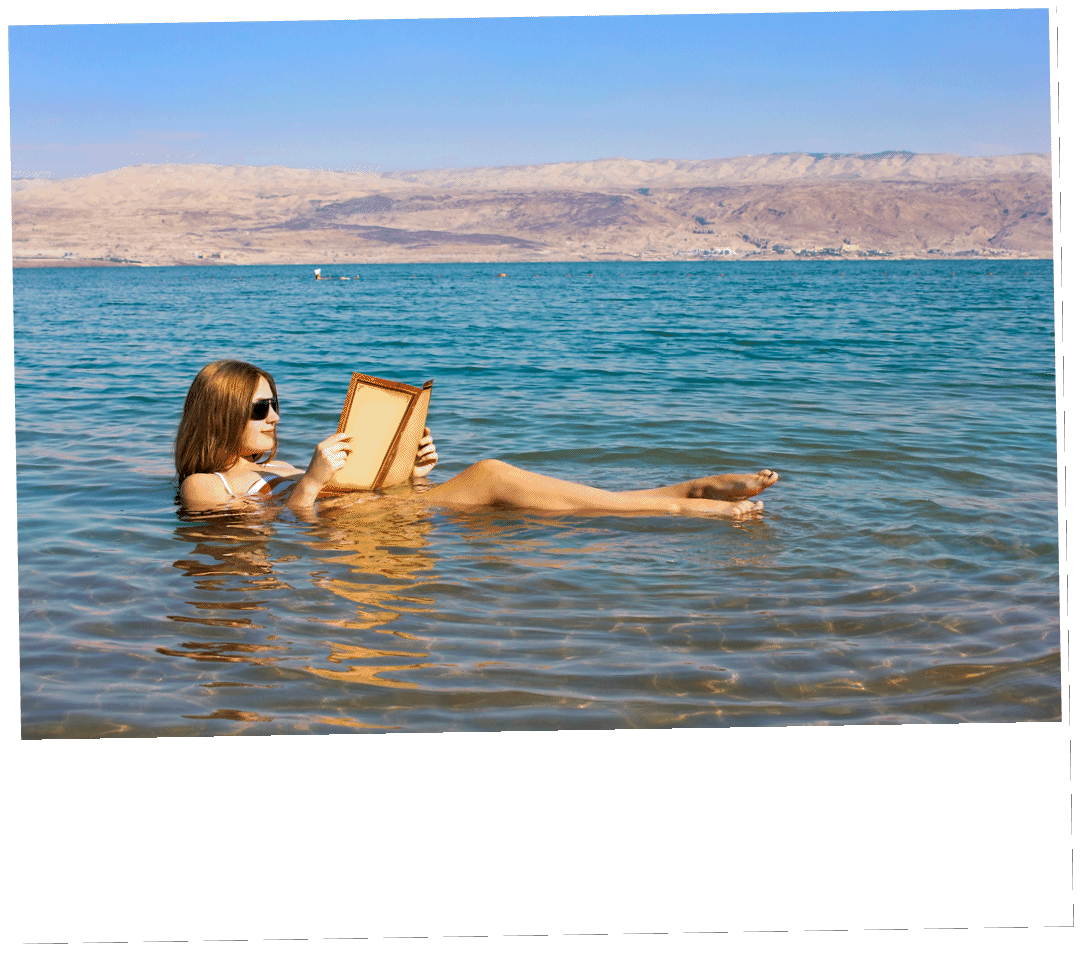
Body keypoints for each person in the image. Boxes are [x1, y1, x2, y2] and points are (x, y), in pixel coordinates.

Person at [175, 360, 779, 517]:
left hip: (394, 513)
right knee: (508, 481)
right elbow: (289, 524)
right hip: (377, 526)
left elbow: (321, 504)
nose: (276, 415)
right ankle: (686, 501)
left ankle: (685, 494)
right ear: (222, 413)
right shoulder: (206, 484)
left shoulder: (269, 474)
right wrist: (309, 482)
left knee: (575, 504)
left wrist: (413, 472)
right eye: (261, 407)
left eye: (277, 401)